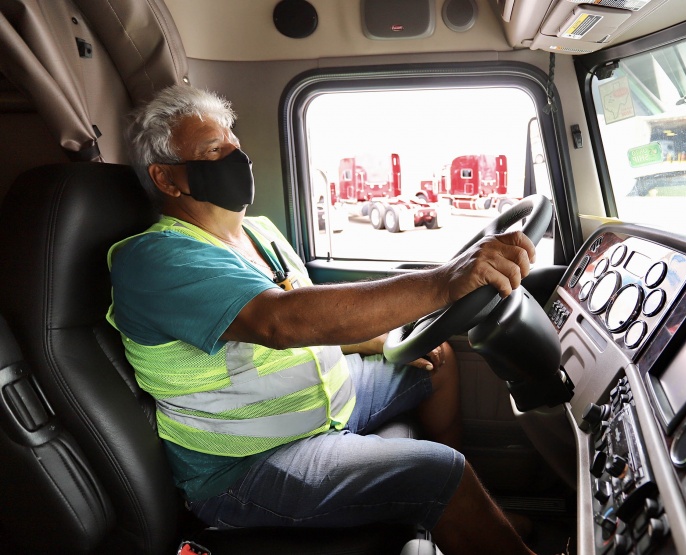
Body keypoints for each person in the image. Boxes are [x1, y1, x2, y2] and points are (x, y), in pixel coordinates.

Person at [107, 84, 539, 555]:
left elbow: (315, 322)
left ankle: (465, 514)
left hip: (327, 400)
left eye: (234, 143)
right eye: (214, 150)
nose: (237, 157)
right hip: (248, 464)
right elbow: (279, 322)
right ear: (167, 179)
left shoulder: (259, 232)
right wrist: (443, 282)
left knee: (440, 361)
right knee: (441, 473)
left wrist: (374, 340)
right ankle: (455, 502)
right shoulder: (156, 258)